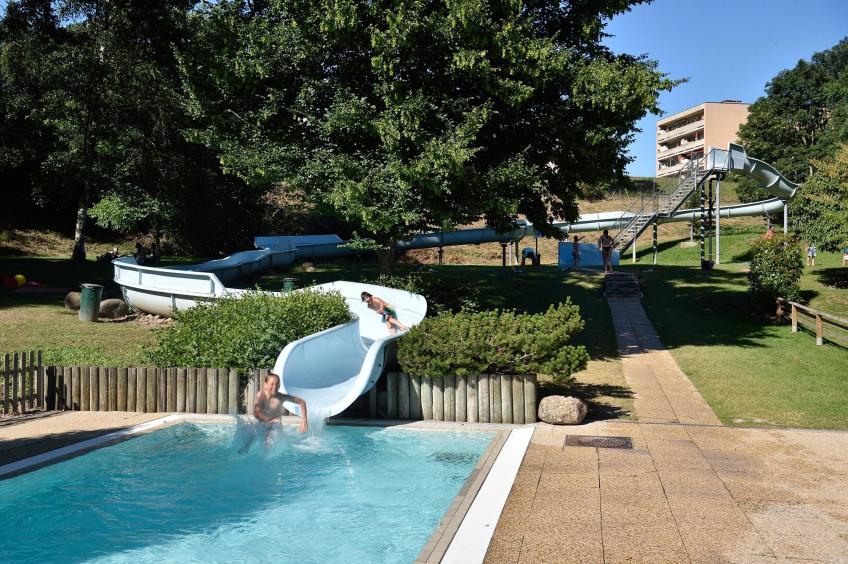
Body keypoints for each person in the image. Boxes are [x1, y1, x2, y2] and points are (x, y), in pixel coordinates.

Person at [239, 373, 308, 453]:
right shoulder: (261, 395)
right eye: (272, 384)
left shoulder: (281, 397)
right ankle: (245, 449)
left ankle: (265, 456)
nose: (275, 387)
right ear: (266, 384)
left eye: (277, 384)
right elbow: (257, 413)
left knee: (268, 439)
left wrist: (304, 421)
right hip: (263, 425)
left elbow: (302, 402)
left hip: (275, 428)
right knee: (251, 431)